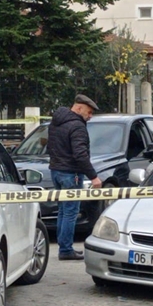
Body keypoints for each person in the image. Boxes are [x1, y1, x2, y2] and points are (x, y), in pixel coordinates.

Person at [47, 94, 103, 260]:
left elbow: (50, 146)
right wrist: (93, 177)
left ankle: (63, 247)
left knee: (63, 211)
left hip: (56, 171)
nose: (90, 116)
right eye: (89, 112)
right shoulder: (77, 126)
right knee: (70, 212)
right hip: (71, 174)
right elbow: (80, 155)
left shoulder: (56, 122)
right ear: (79, 108)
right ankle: (65, 250)